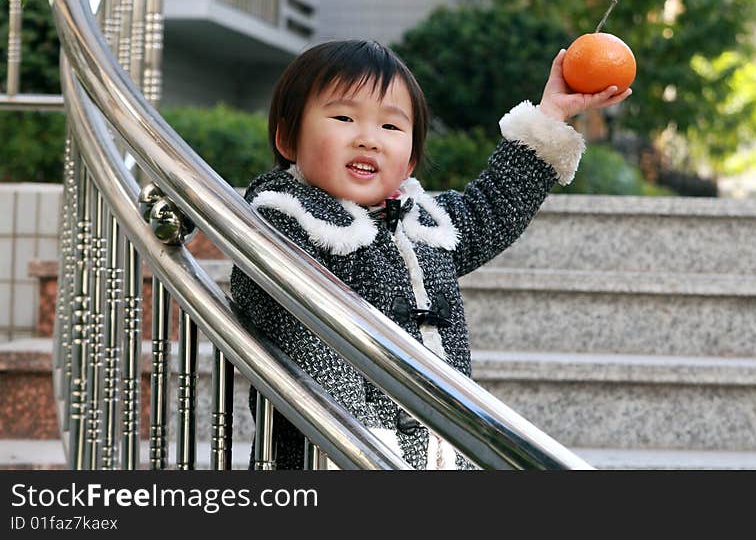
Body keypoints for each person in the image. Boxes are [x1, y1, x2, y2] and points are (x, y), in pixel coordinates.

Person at [230, 39, 630, 469]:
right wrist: (367, 449)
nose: (369, 139)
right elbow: (311, 345)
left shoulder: (419, 225)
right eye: (344, 117)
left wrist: (550, 114)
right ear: (288, 139)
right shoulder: (283, 223)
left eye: (391, 127)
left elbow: (493, 207)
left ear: (410, 161)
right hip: (339, 457)